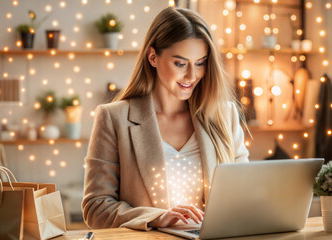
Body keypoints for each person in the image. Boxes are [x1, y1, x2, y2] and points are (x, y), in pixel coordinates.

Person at [82, 7, 249, 231]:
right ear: (153, 57)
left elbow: (245, 194)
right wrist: (155, 217)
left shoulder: (224, 115)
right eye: (180, 64)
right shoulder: (114, 118)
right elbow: (96, 207)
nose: (192, 75)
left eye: (200, 63)